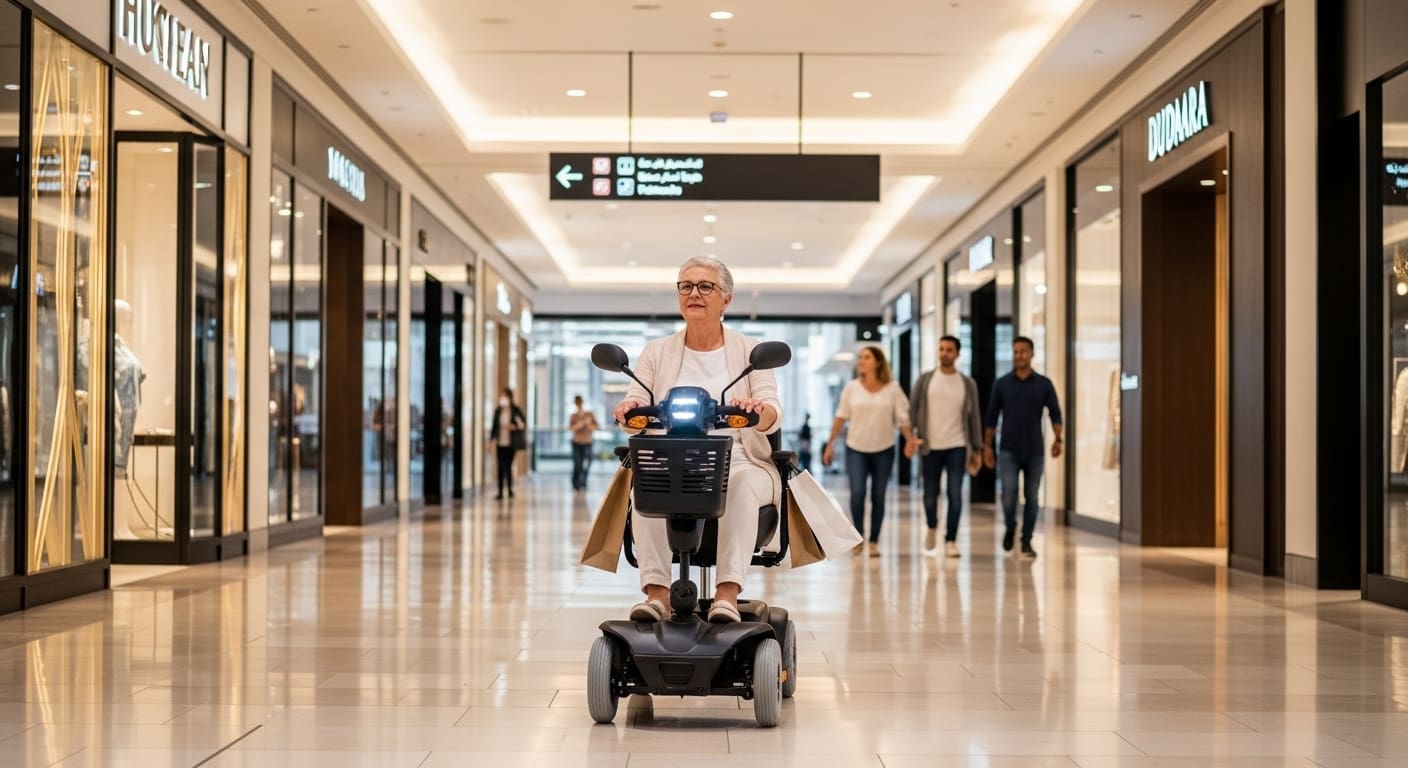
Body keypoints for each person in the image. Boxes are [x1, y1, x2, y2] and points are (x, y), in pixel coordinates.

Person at [613, 256, 782, 624]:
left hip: (739, 457)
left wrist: (755, 409)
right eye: (686, 286)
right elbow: (636, 406)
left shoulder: (751, 353)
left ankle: (727, 593)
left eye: (706, 286)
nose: (695, 293)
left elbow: (771, 413)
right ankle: (658, 594)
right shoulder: (656, 351)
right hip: (672, 455)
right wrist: (630, 409)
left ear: (727, 299)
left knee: (738, 485)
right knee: (646, 481)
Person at [822, 345, 918, 558]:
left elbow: (903, 419)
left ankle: (874, 541)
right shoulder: (851, 388)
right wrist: (830, 445)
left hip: (884, 449)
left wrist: (910, 440)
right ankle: (859, 537)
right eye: (860, 358)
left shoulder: (892, 388)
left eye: (866, 357)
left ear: (877, 362)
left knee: (878, 496)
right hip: (856, 449)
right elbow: (841, 417)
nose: (861, 361)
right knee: (857, 495)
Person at [982, 336, 1063, 560]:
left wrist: (1058, 439)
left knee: (1032, 497)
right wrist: (987, 447)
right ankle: (1010, 526)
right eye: (1016, 351)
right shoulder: (1002, 384)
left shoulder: (1043, 384)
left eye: (1023, 351)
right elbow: (991, 416)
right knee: (1008, 493)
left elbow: (1055, 412)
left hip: (1035, 450)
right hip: (1008, 449)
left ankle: (1027, 540)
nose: (1019, 355)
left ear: (1031, 354)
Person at [910, 335, 983, 558]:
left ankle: (951, 539)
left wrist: (977, 449)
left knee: (955, 494)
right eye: (941, 349)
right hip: (930, 446)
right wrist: (911, 438)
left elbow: (974, 418)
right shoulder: (925, 380)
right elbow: (912, 411)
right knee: (930, 495)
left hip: (958, 446)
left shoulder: (967, 383)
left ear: (957, 354)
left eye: (949, 350)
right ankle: (932, 525)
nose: (944, 353)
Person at [489, 387, 527, 500]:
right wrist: (491, 440)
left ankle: (509, 489)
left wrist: (514, 427)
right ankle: (500, 491)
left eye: (505, 396)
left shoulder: (515, 410)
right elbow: (494, 427)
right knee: (500, 466)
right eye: (502, 396)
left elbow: (523, 424)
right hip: (500, 442)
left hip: (511, 443)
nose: (503, 399)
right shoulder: (498, 411)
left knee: (508, 466)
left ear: (510, 397)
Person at [569, 395, 599, 491]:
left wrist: (588, 425)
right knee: (577, 463)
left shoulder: (589, 414)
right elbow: (571, 428)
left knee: (588, 462)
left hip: (588, 442)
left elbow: (596, 427)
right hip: (576, 442)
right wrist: (580, 425)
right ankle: (576, 483)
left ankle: (583, 481)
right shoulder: (573, 416)